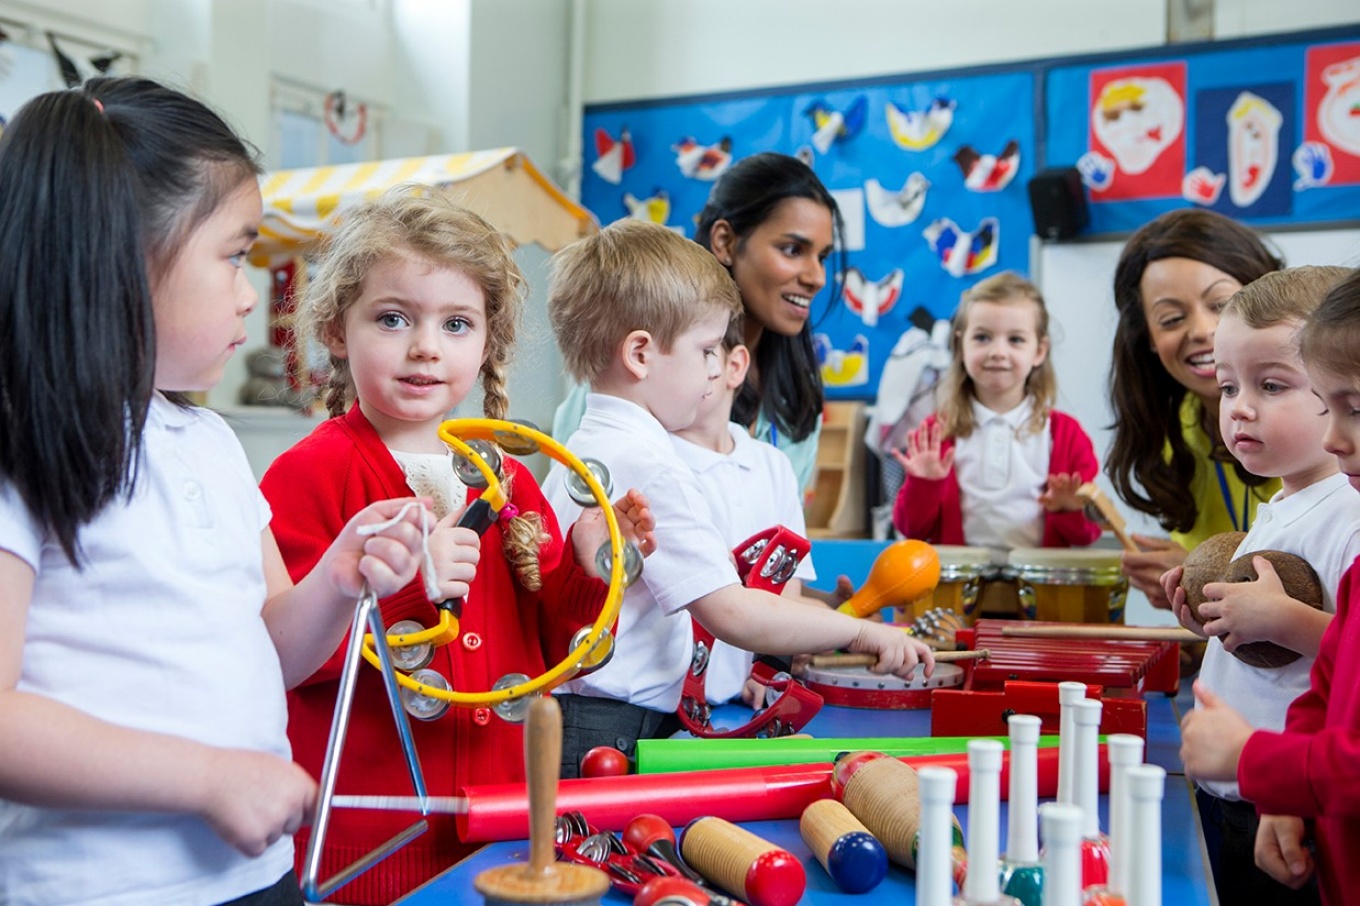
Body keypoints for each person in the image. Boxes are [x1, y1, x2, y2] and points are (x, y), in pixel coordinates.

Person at [0, 78, 429, 906]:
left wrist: (339, 580)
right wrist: (204, 778)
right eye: (235, 255)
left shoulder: (208, 443)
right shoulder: (26, 441)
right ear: (120, 256)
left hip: (253, 874)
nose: (250, 292)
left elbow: (270, 647)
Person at [259, 191, 655, 904]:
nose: (425, 347)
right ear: (336, 330)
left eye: (457, 323)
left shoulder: (509, 480)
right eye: (392, 318)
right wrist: (409, 589)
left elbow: (557, 638)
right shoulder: (309, 474)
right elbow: (283, 656)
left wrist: (597, 562)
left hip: (496, 826)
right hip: (369, 836)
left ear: (487, 343)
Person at [542, 219, 934, 776]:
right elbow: (733, 612)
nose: (714, 371)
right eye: (705, 350)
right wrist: (861, 630)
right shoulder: (651, 464)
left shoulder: (585, 447)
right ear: (640, 355)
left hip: (591, 717)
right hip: (609, 729)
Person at [1163, 265, 1357, 904]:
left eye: (1271, 385)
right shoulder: (1281, 502)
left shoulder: (1348, 511)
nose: (1239, 407)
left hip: (1293, 797)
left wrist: (1280, 621)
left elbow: (1346, 653)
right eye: (1227, 386)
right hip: (1244, 789)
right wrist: (1219, 617)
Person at [554, 151, 843, 493]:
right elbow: (580, 495)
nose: (817, 277)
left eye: (822, 257)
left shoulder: (797, 391)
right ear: (725, 242)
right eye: (793, 250)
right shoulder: (633, 366)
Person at [1107, 209, 1285, 609]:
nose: (1203, 330)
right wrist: (1188, 603)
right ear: (1148, 339)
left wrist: (1200, 573)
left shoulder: (1320, 422)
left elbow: (1327, 586)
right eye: (1171, 318)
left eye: (1221, 304)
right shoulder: (1175, 430)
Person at [669, 315, 820, 708]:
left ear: (734, 366)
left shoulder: (773, 465)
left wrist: (765, 670)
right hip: (666, 698)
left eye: (702, 354)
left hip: (741, 697)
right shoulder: (657, 458)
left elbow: (786, 585)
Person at [891, 271, 1101, 551]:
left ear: (1039, 351)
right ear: (960, 346)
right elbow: (912, 529)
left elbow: (1089, 534)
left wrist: (1068, 509)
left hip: (1039, 591)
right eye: (982, 337)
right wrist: (924, 485)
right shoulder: (935, 433)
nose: (998, 352)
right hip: (959, 592)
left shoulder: (1066, 435)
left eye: (1015, 340)